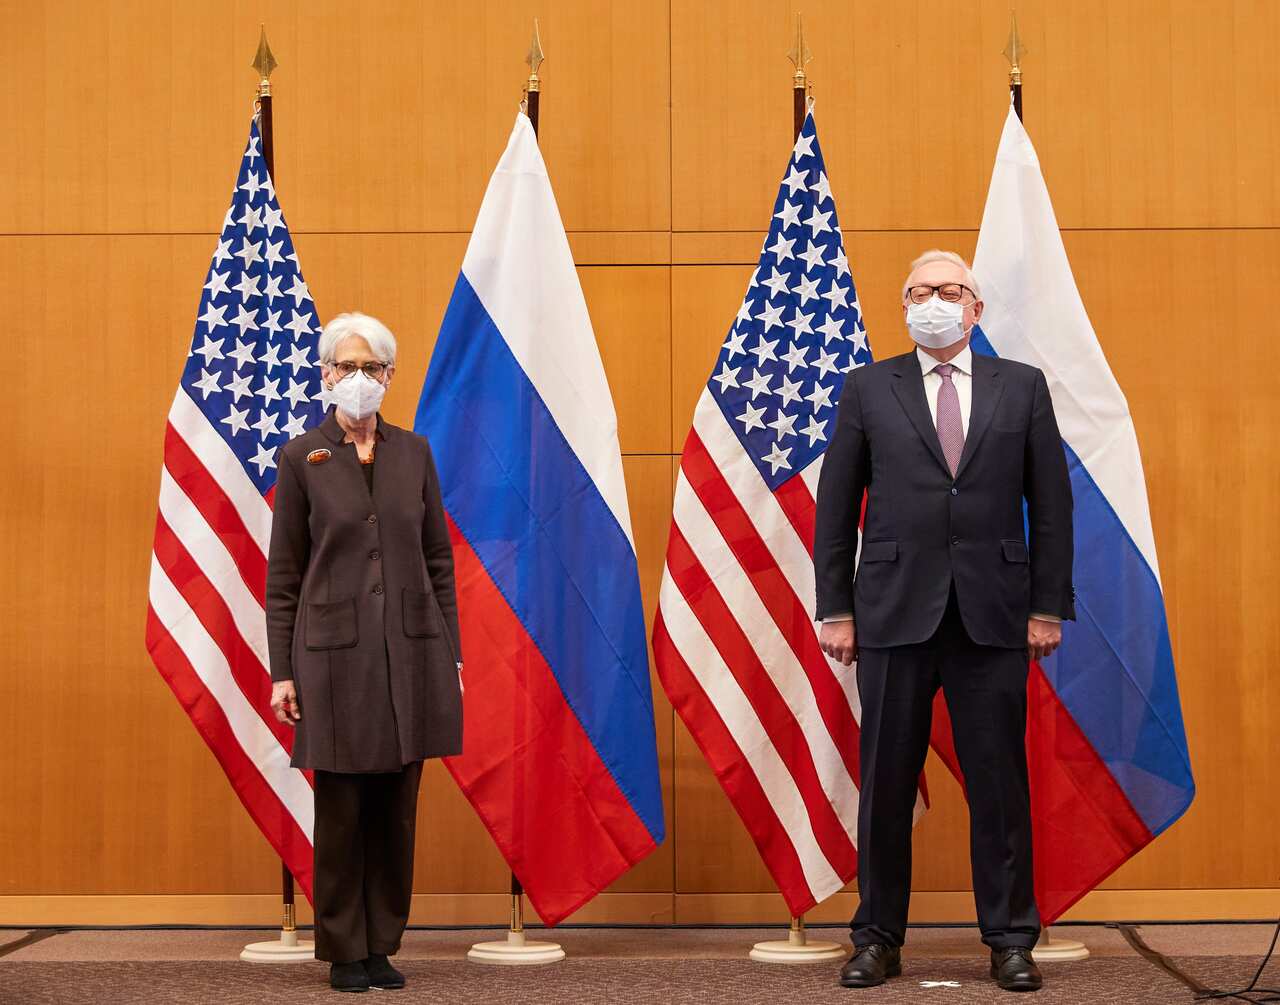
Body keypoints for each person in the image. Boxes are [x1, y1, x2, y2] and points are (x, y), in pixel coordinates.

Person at [814, 251, 1074, 993]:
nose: (935, 300)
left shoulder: (1020, 388)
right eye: (921, 290)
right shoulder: (868, 387)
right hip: (891, 615)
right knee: (886, 785)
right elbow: (836, 508)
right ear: (903, 305)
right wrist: (836, 606)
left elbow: (1051, 504)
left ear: (975, 307)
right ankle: (876, 937)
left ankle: (1010, 939)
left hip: (993, 614)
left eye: (949, 289)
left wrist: (1047, 604)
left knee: (998, 785)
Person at [266, 312, 464, 993]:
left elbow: (439, 558)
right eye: (344, 366)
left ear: (389, 376)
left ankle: (383, 944)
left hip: (411, 654)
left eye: (370, 367)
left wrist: (453, 654)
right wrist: (281, 671)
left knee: (396, 808)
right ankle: (345, 949)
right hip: (331, 660)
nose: (357, 378)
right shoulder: (302, 457)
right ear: (325, 376)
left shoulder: (415, 453)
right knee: (344, 809)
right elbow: (284, 574)